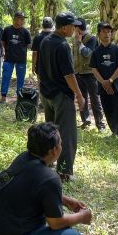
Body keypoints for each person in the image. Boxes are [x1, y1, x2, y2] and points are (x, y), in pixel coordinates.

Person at [37, 12, 84, 181]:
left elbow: (38, 68)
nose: (75, 29)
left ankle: (47, 163)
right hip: (61, 96)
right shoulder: (62, 45)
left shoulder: (45, 41)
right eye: (72, 26)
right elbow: (69, 75)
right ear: (64, 28)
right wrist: (79, 95)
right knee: (67, 133)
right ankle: (64, 172)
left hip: (46, 94)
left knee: (50, 132)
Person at [90, 22, 118, 142]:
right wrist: (103, 82)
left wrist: (110, 80)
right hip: (103, 87)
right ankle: (114, 132)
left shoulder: (117, 50)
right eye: (104, 31)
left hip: (115, 86)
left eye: (109, 32)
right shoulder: (96, 52)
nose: (107, 34)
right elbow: (94, 69)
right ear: (99, 34)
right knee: (108, 110)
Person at [73, 19, 103, 131]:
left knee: (95, 98)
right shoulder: (75, 39)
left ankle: (100, 124)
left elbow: (87, 53)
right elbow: (74, 56)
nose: (73, 30)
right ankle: (85, 120)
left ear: (78, 28)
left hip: (90, 73)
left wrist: (80, 42)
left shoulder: (91, 39)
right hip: (78, 73)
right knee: (82, 98)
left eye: (74, 27)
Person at [1, 11, 31, 103]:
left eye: (23, 19)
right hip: (9, 58)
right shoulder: (7, 30)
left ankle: (19, 98)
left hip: (21, 59)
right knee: (6, 77)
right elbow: (3, 41)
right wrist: (6, 50)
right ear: (15, 19)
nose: (22, 21)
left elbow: (29, 44)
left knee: (21, 79)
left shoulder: (25, 32)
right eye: (20, 19)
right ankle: (3, 98)